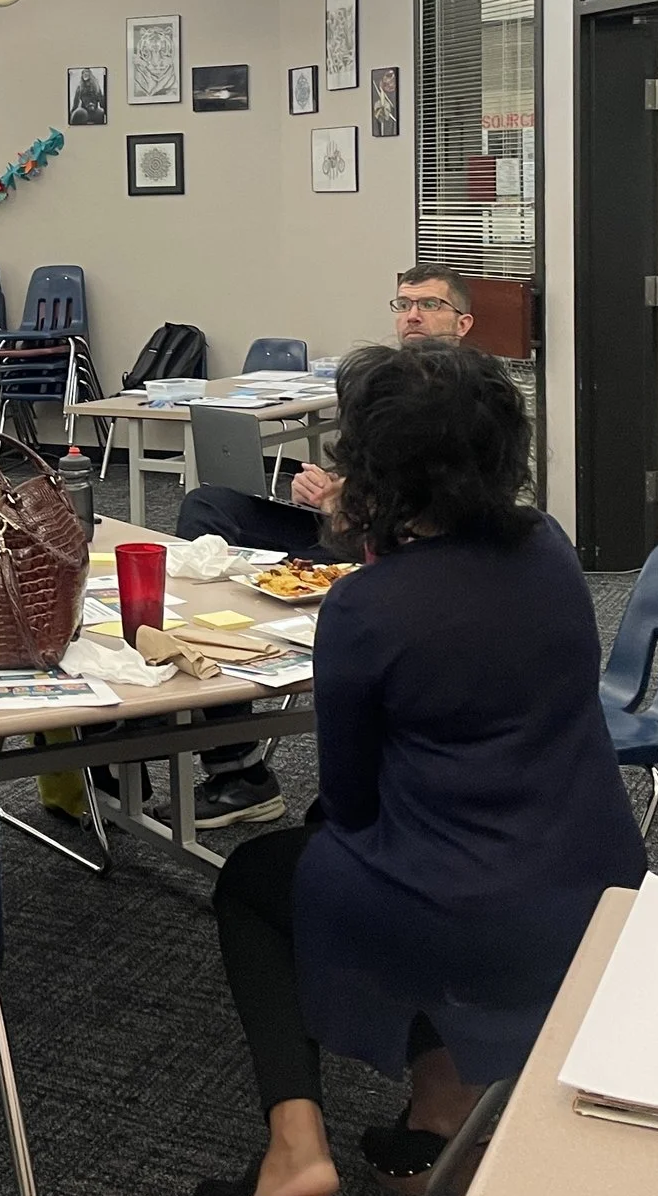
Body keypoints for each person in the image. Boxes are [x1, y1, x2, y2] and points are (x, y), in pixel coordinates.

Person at [193, 344, 645, 1196]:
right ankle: (439, 1115)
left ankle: (294, 1151)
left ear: (374, 469)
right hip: (599, 892)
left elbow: (351, 801)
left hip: (473, 915)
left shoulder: (366, 606)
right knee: (425, 855)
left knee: (254, 880)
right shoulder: (550, 547)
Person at [167, 267, 476, 828]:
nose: (412, 316)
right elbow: (362, 471)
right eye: (403, 304)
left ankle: (234, 769)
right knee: (209, 507)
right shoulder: (380, 384)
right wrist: (322, 488)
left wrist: (352, 507)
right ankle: (209, 661)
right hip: (345, 520)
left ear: (463, 323)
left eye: (429, 305)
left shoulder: (469, 399)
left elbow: (436, 509)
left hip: (393, 542)